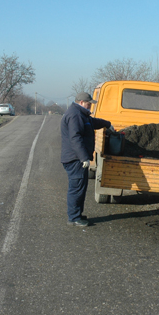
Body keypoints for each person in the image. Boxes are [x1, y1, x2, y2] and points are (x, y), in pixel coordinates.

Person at [60, 92, 112, 226]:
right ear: (82, 102)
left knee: (80, 187)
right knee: (76, 188)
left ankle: (77, 214)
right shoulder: (75, 115)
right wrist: (83, 158)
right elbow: (75, 138)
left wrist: (107, 123)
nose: (90, 106)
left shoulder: (81, 114)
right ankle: (74, 218)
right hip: (75, 159)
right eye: (89, 104)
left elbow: (92, 122)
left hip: (77, 158)